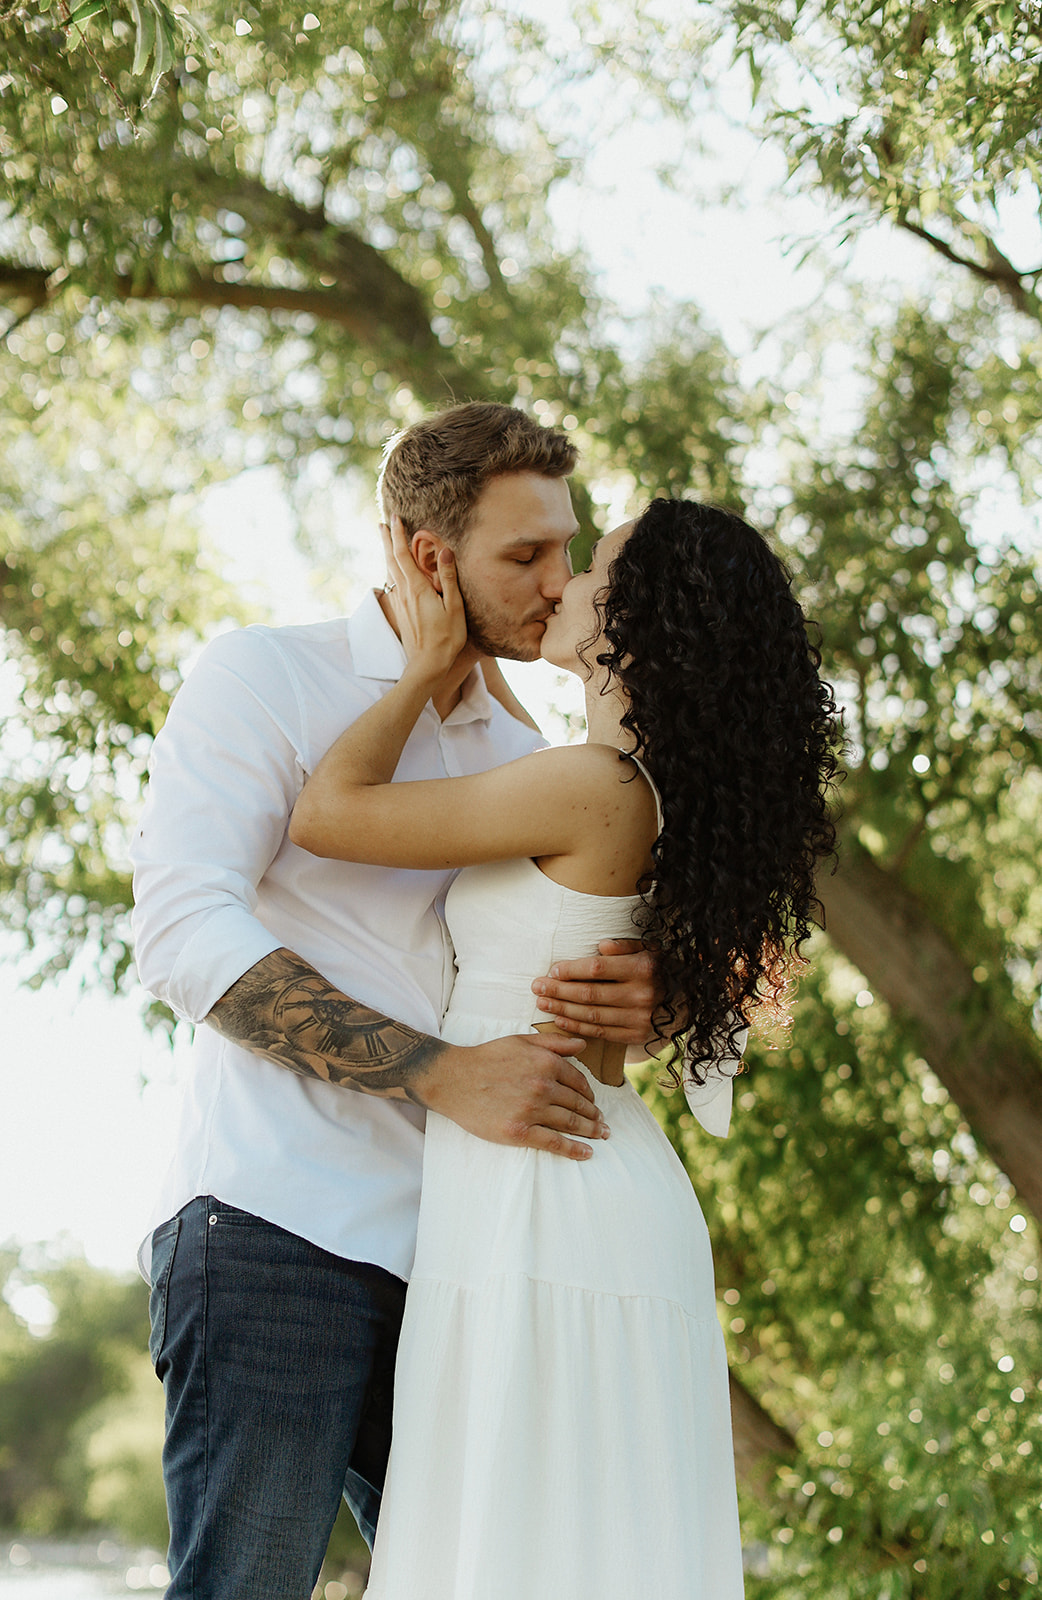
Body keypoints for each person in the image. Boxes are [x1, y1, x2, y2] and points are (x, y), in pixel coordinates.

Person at [129, 403, 662, 1600]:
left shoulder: (519, 748)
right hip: (275, 1228)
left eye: (564, 550)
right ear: (429, 556)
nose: (555, 582)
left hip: (462, 1254)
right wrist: (433, 1069)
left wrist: (635, 992)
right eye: (521, 556)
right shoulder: (266, 676)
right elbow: (179, 930)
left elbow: (546, 962)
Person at [289, 496, 840, 1599]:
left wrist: (418, 668)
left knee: (526, 1544)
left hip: (549, 1196)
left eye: (589, 567)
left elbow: (326, 815)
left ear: (631, 621)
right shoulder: (622, 785)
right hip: (561, 1176)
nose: (559, 584)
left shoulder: (588, 786)